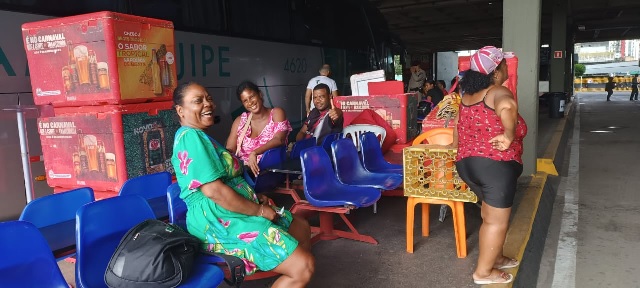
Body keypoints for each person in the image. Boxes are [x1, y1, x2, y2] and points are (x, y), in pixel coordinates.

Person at [171, 82, 314, 288]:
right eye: (198, 101)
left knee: (301, 227)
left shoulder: (201, 137)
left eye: (208, 98)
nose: (207, 104)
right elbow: (214, 191)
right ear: (180, 110)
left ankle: (287, 274)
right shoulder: (189, 136)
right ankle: (293, 273)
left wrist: (252, 198)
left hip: (234, 208)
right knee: (304, 266)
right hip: (217, 219)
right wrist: (258, 210)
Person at [454, 46, 527, 285]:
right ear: (496, 71)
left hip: (468, 165)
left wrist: (456, 147)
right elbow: (507, 107)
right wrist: (508, 135)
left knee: (489, 216)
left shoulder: (468, 96)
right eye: (504, 64)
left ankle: (494, 258)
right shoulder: (496, 92)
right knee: (496, 220)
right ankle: (483, 273)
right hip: (494, 166)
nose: (506, 68)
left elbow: (457, 126)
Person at [227, 81, 292, 177]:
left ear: (260, 94)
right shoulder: (240, 121)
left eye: (252, 96)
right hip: (244, 173)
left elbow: (279, 139)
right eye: (245, 101)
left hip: (270, 171)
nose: (250, 102)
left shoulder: (276, 113)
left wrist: (255, 153)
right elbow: (230, 149)